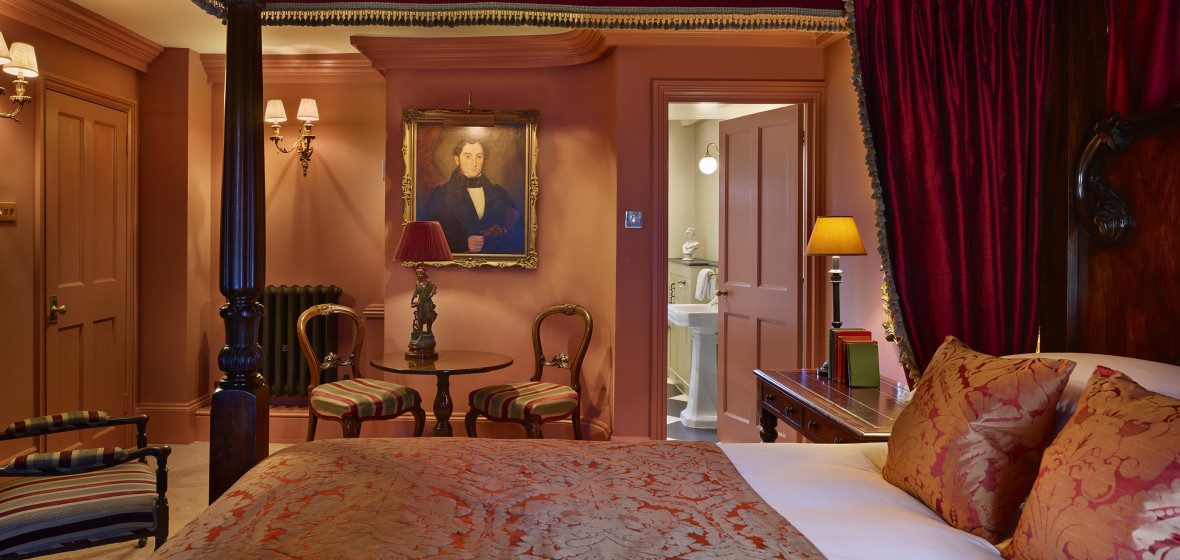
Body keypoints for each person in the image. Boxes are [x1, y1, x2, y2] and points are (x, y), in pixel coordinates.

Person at [423, 138, 523, 254]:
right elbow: (430, 238)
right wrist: (463, 244)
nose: (474, 163)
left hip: (496, 262)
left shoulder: (499, 194)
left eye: (479, 157)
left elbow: (519, 235)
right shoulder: (441, 195)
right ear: (457, 159)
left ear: (484, 159)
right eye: (468, 156)